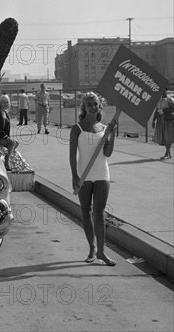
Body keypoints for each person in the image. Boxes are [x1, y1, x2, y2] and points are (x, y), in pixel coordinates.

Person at [69, 92, 117, 267]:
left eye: (95, 103)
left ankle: (102, 253)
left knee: (99, 213)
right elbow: (72, 155)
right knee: (85, 211)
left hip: (102, 174)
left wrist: (112, 135)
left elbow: (107, 154)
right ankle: (92, 248)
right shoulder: (77, 128)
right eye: (88, 104)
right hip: (84, 175)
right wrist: (74, 174)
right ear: (84, 107)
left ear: (99, 105)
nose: (92, 106)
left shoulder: (104, 128)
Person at [0, 95, 19, 171]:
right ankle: (6, 162)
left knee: (16, 143)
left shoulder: (5, 113)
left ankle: (6, 156)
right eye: (3, 102)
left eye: (7, 102)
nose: (5, 104)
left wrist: (7, 137)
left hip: (3, 137)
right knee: (12, 143)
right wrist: (5, 137)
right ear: (0, 103)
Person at [152, 89, 174, 159]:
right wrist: (153, 120)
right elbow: (156, 111)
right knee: (164, 137)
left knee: (168, 136)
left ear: (165, 91)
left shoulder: (169, 99)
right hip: (160, 120)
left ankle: (166, 153)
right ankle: (169, 154)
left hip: (167, 120)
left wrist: (167, 110)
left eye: (163, 90)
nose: (162, 91)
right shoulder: (158, 100)